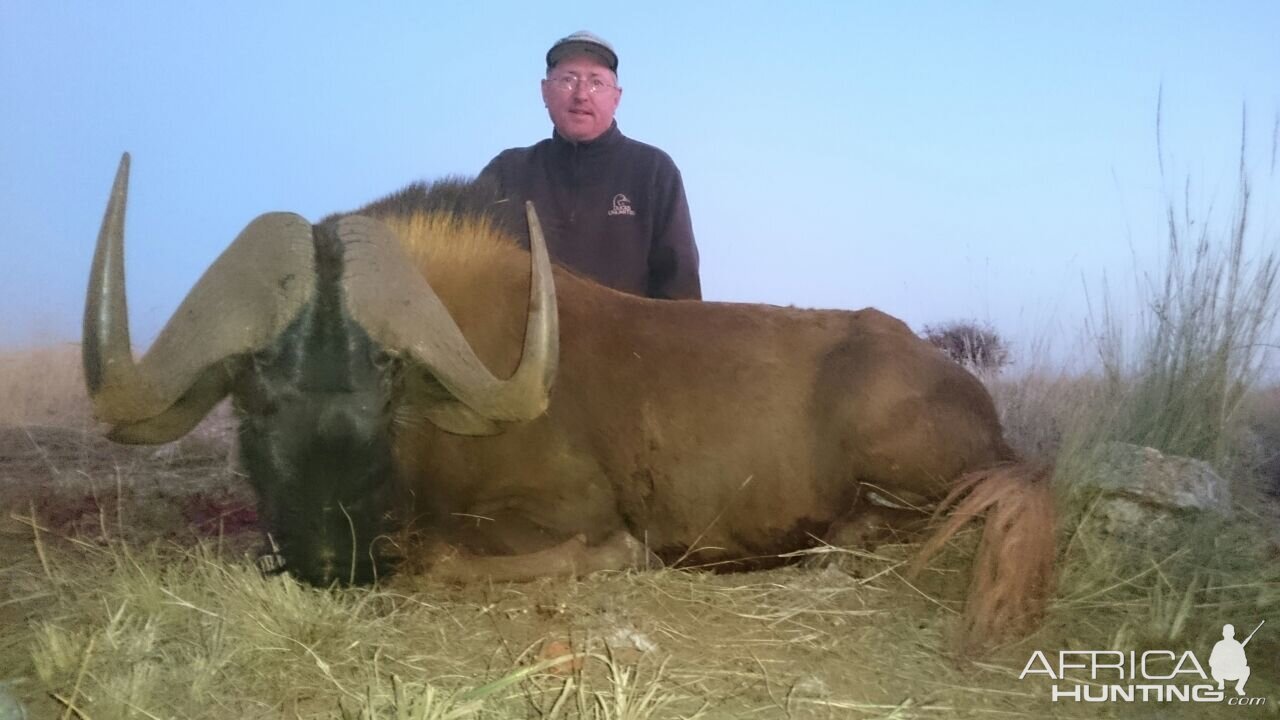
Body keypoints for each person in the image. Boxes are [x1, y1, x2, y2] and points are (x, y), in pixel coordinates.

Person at [479, 31, 701, 300]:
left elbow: (680, 288)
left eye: (596, 83)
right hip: (522, 339)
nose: (581, 94)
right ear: (544, 91)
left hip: (626, 339)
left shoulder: (654, 171)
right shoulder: (507, 171)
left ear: (616, 98)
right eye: (568, 80)